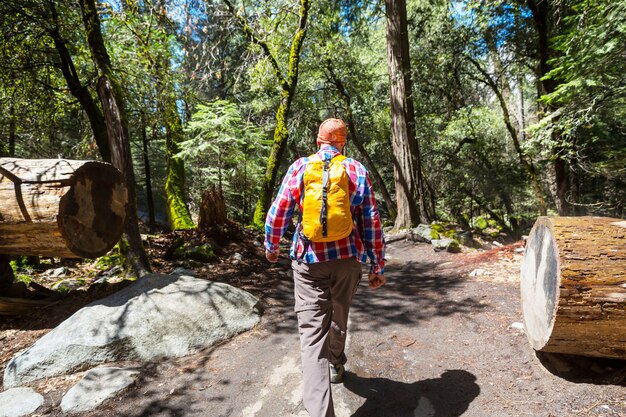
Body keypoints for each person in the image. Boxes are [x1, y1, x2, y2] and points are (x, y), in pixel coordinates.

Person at [264, 118, 386, 417]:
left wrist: (271, 245)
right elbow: (370, 220)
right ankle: (335, 360)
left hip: (308, 260)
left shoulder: (300, 167)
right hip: (347, 261)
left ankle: (321, 412)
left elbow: (280, 210)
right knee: (340, 311)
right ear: (343, 142)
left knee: (310, 334)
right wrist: (377, 264)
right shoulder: (356, 169)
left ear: (318, 141)